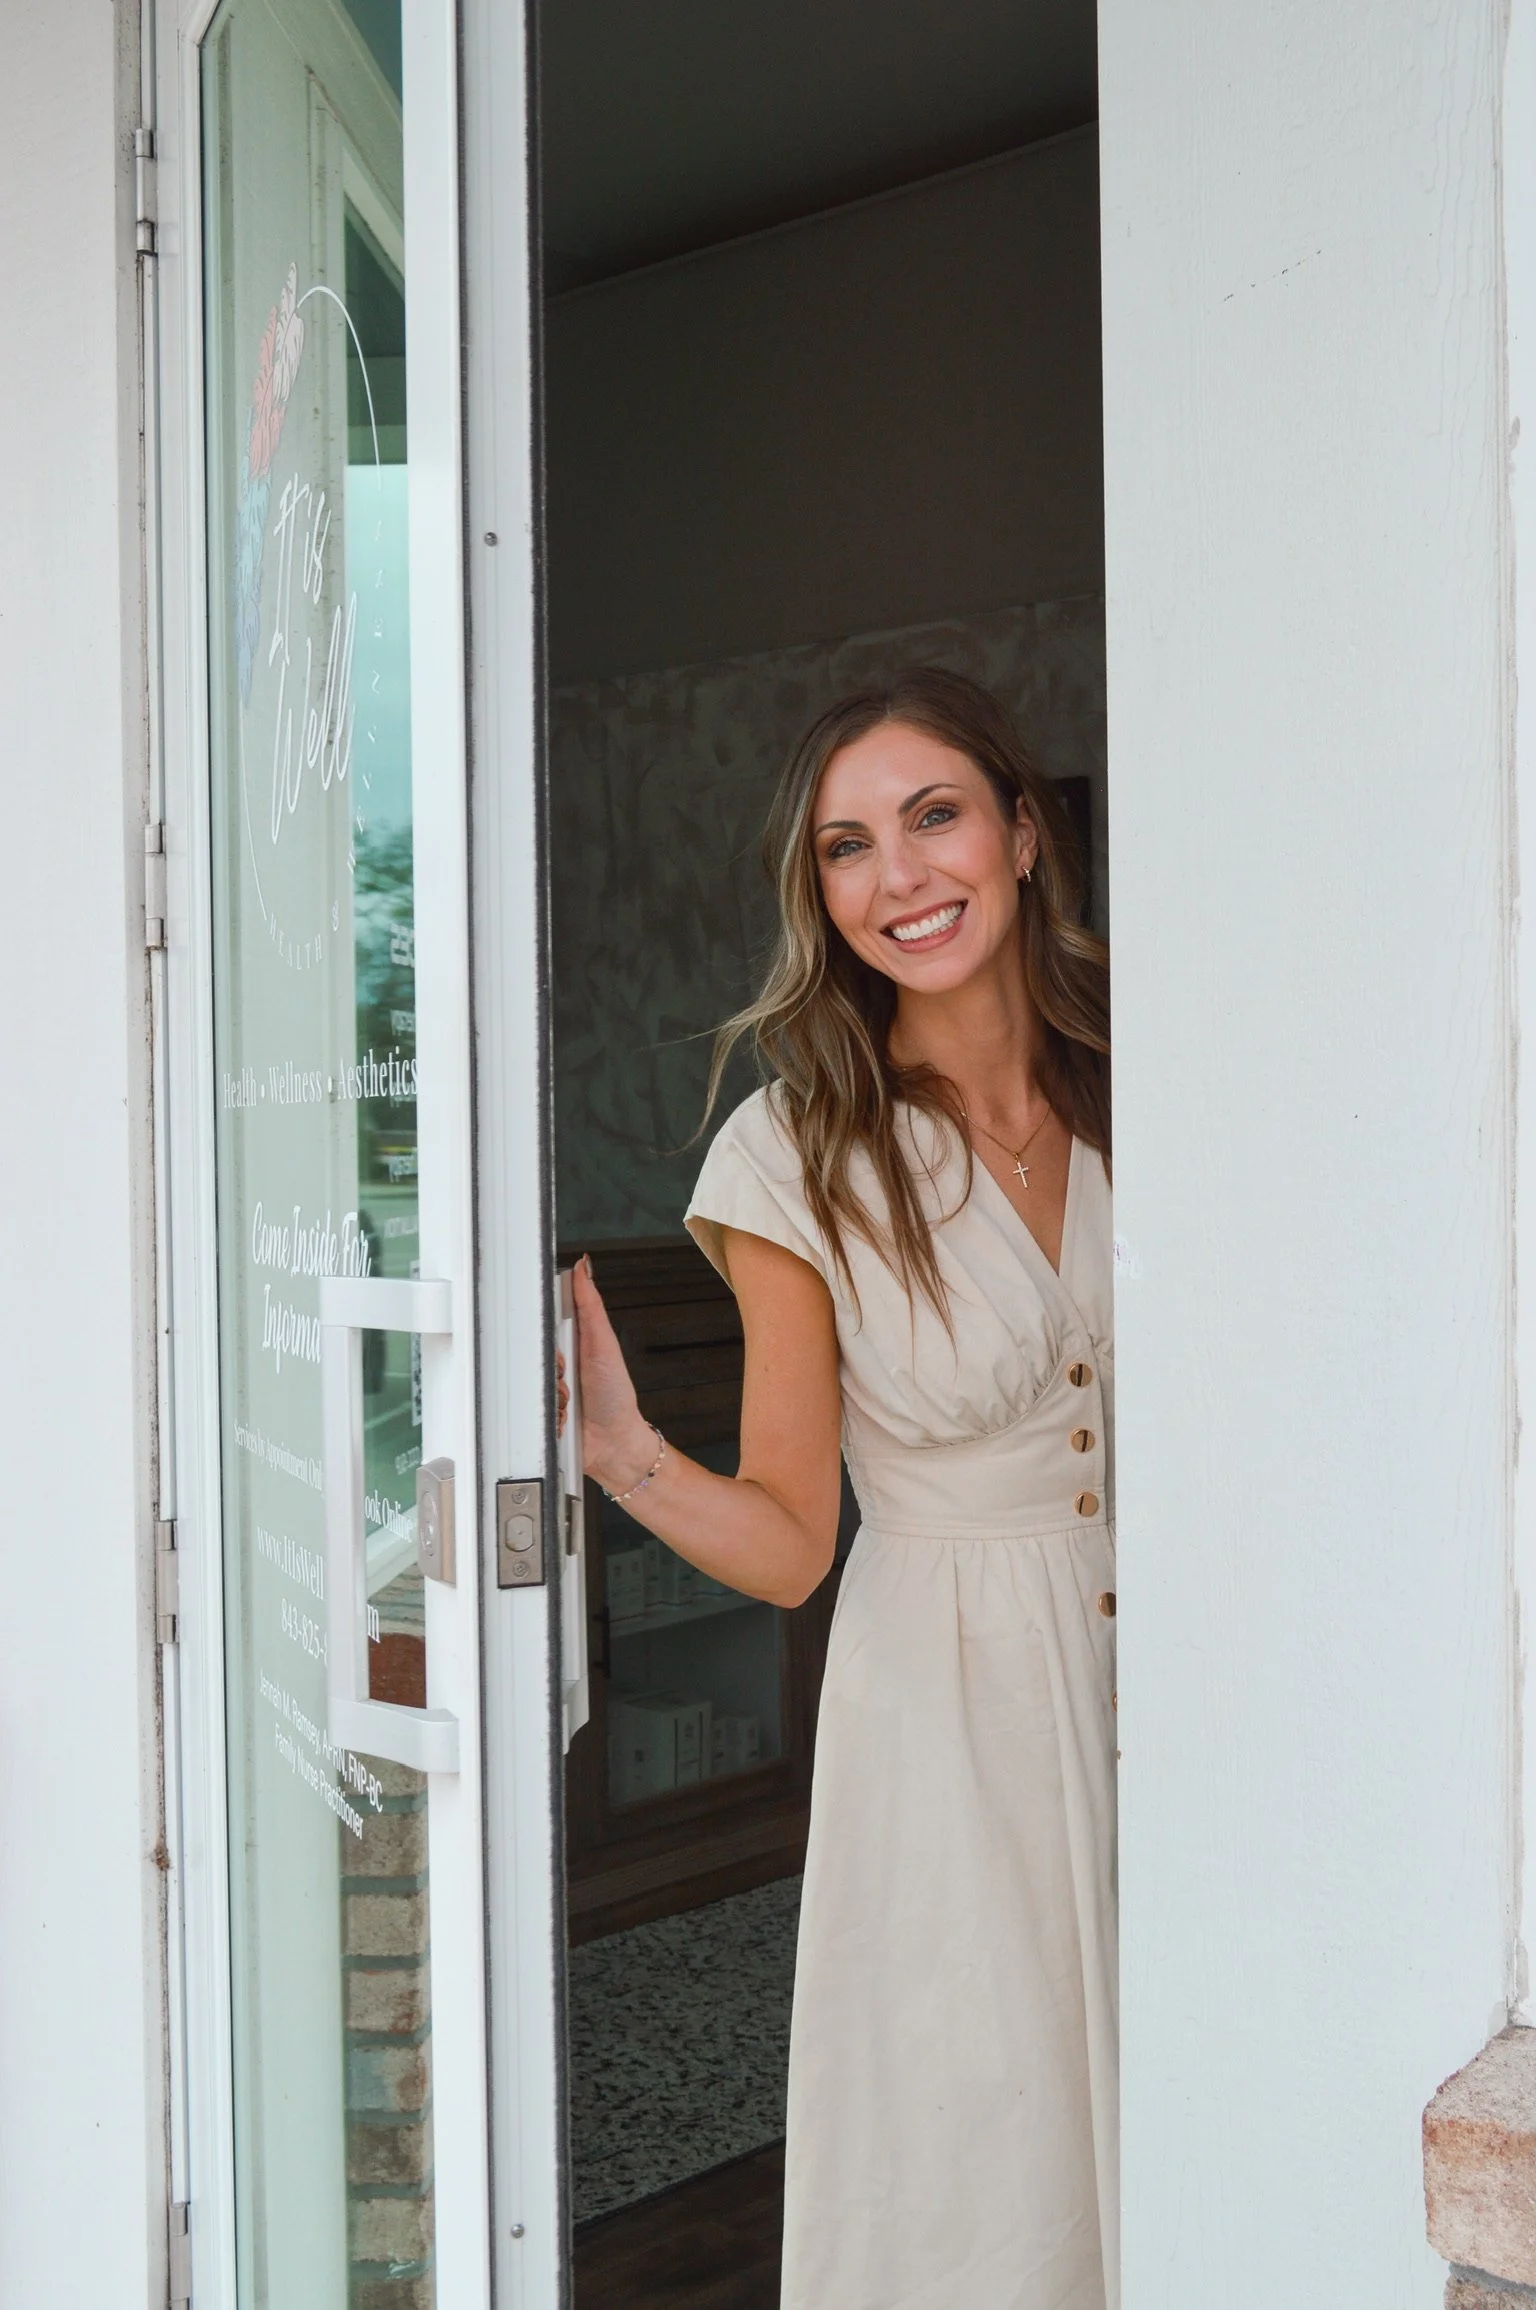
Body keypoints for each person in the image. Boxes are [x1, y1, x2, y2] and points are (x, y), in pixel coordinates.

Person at [567, 667, 1117, 2310]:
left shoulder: (1142, 1075)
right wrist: (625, 1454)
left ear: (1021, 832)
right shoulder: (798, 1151)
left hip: (1179, 1672)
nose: (901, 877)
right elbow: (796, 1543)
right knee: (989, 2156)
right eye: (847, 847)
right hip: (953, 1714)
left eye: (935, 815)